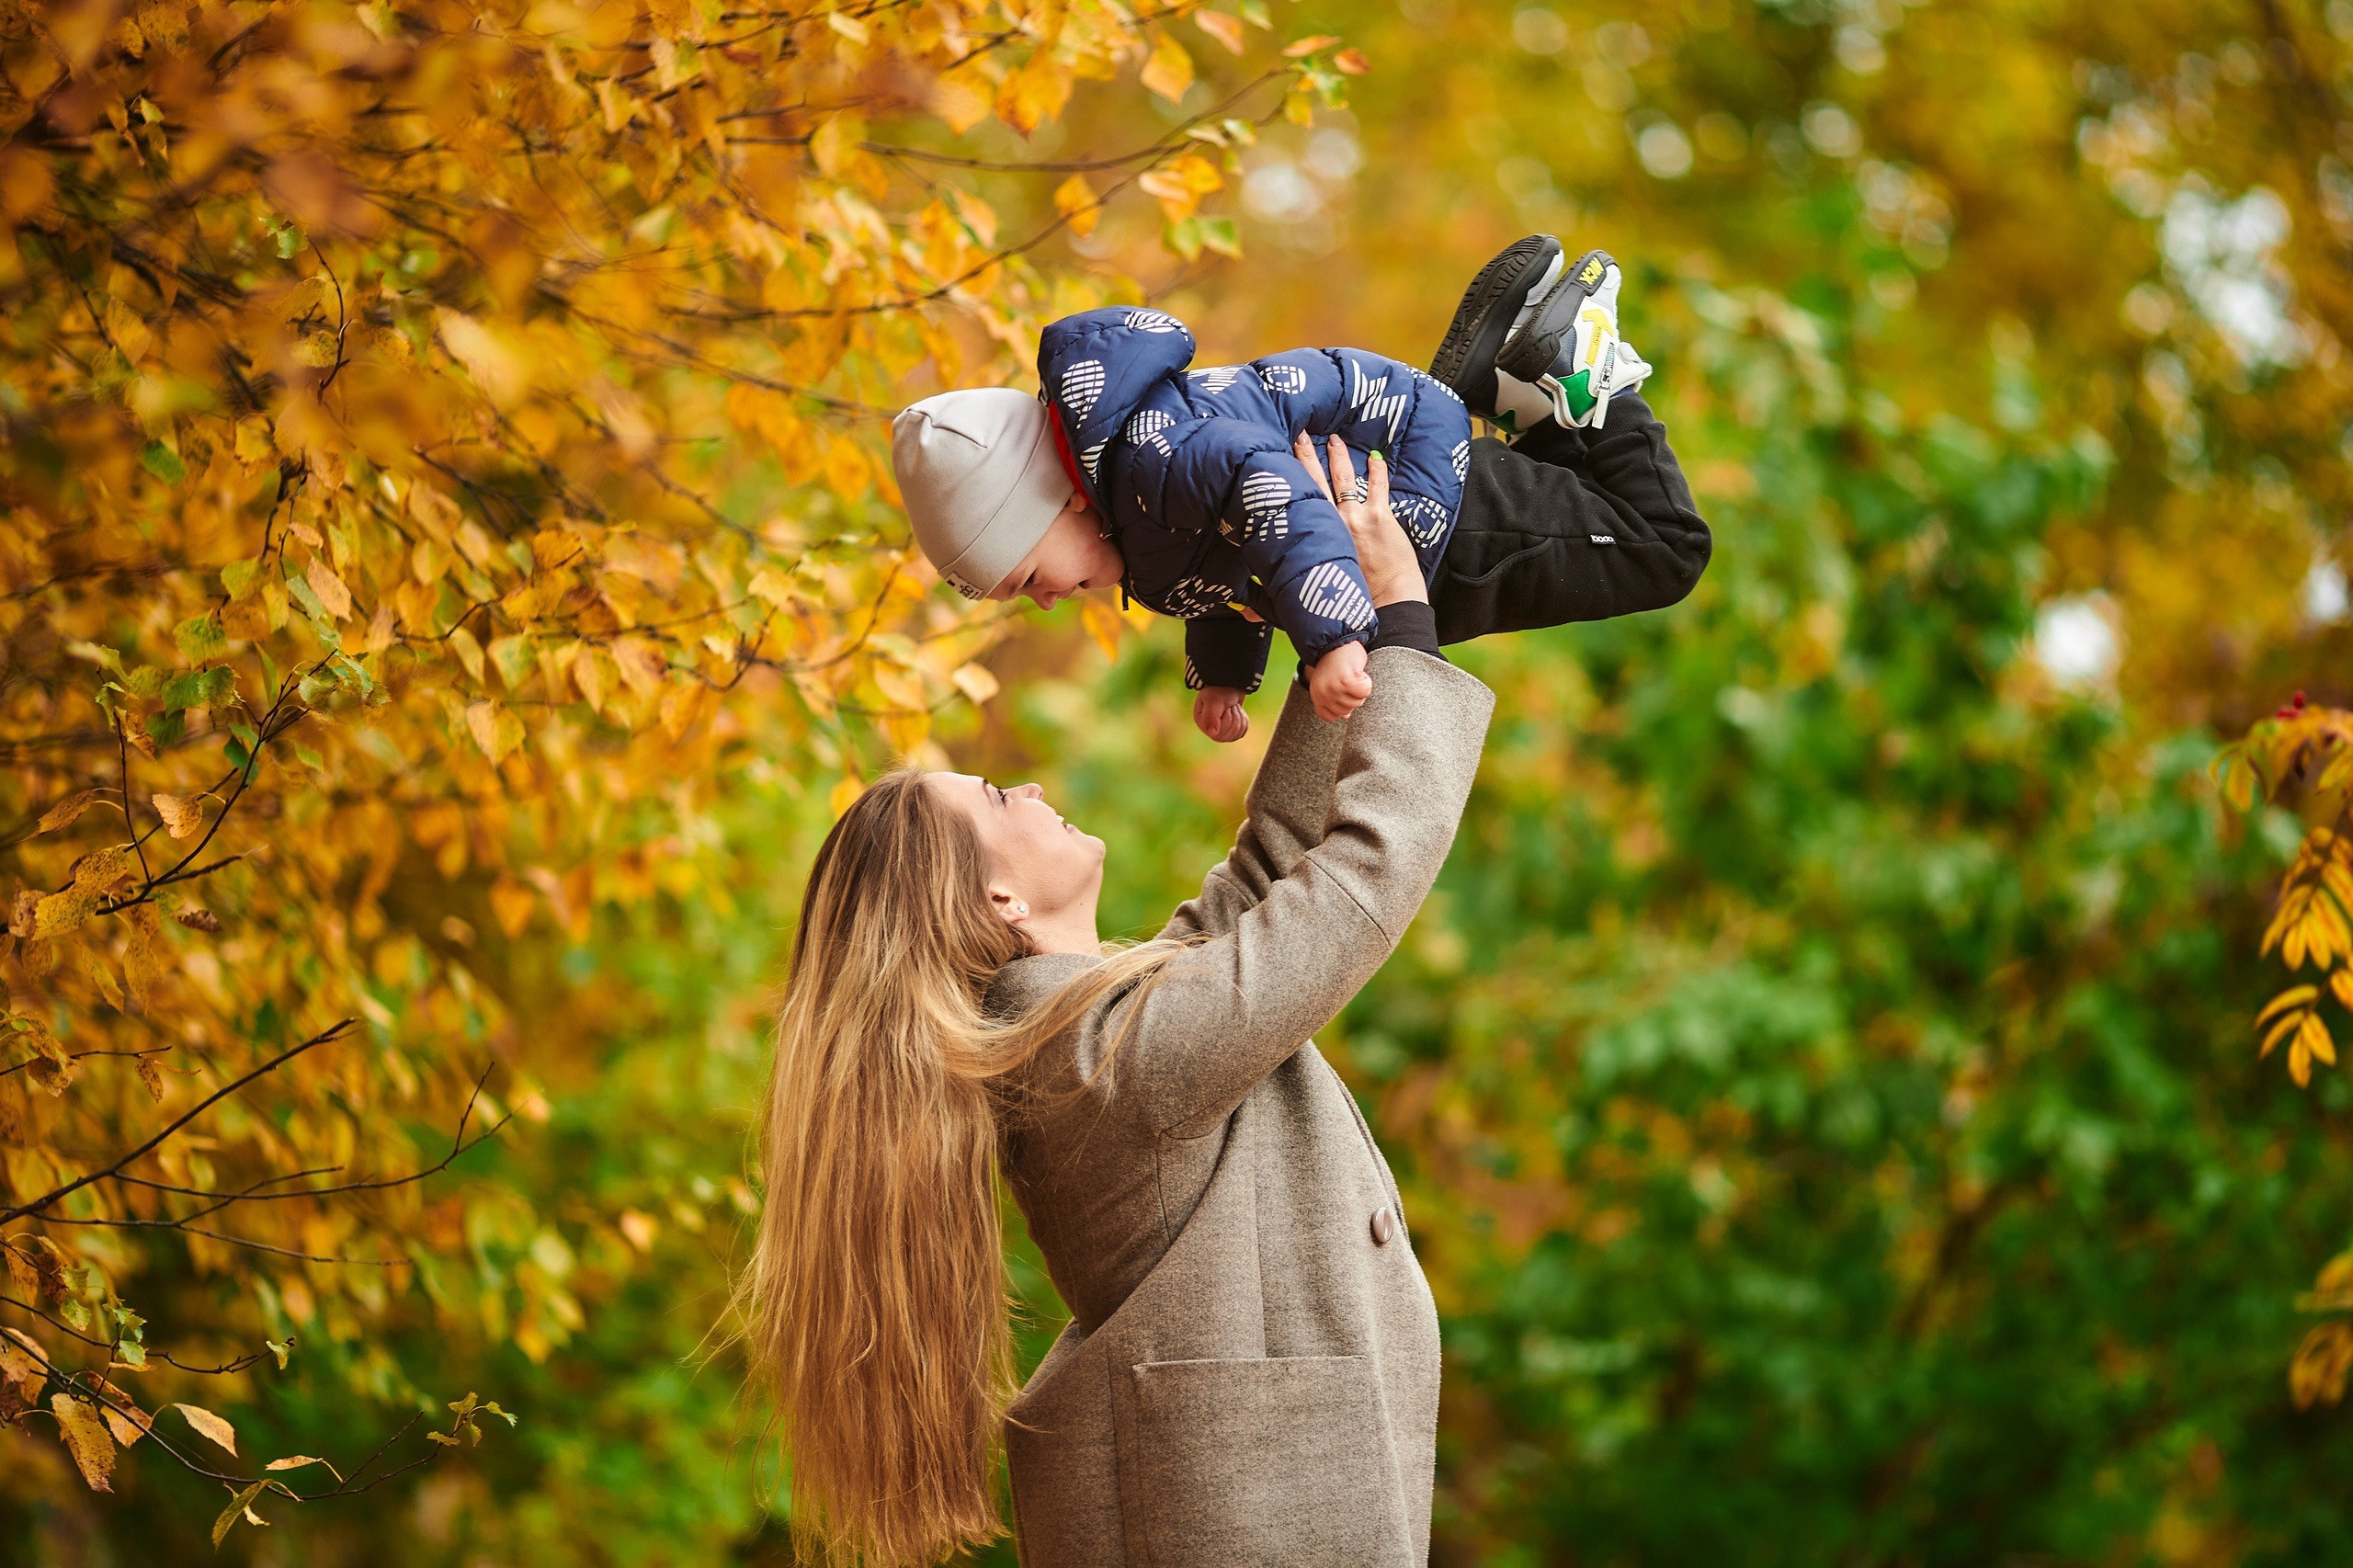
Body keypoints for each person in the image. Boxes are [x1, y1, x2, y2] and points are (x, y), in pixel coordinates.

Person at [745, 437, 1494, 1567]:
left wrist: (1347, 616)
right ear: (996, 893)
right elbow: (1353, 887)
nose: (1033, 785)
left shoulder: (1086, 1031)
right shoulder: (1100, 1056)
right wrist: (1397, 619)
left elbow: (1275, 863)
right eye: (1001, 795)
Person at [890, 234, 1711, 742]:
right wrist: (1223, 674)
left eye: (1030, 578)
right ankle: (1515, 387)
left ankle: (1575, 360)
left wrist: (1329, 643)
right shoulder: (1135, 505)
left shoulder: (1153, 460)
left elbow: (1269, 494)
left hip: (1420, 504)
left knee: (1664, 547)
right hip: (1406, 526)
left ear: (1058, 499)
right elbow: (1224, 569)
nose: (1043, 602)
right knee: (1581, 540)